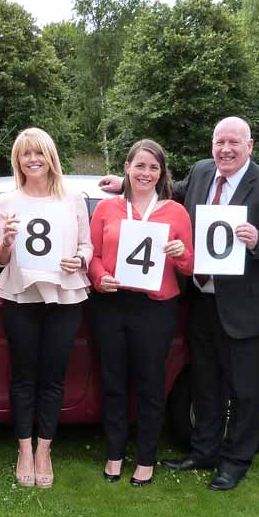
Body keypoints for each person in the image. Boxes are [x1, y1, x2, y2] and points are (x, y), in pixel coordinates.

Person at [156, 118, 259, 490]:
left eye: (234, 142)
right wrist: (122, 183)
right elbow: (172, 190)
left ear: (250, 145)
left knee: (246, 389)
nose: (226, 150)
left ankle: (236, 461)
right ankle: (203, 451)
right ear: (212, 145)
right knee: (205, 382)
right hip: (201, 300)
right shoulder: (202, 172)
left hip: (245, 307)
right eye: (220, 142)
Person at [88, 140, 194, 487]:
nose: (145, 173)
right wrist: (100, 277)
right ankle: (115, 453)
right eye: (140, 166)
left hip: (155, 308)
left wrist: (180, 253)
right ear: (127, 167)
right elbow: (93, 255)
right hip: (111, 306)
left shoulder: (176, 212)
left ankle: (146, 458)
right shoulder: (107, 208)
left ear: (161, 173)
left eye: (153, 168)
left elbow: (191, 265)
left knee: (150, 385)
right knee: (113, 382)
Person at [0, 128, 92, 489]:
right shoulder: (9, 200)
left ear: (51, 157)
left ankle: (44, 450)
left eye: (39, 153)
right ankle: (23, 448)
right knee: (22, 376)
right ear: (18, 160)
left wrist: (79, 259)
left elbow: (87, 245)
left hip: (64, 297)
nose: (32, 160)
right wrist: (4, 242)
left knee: (53, 376)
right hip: (21, 297)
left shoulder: (73, 198)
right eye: (25, 154)